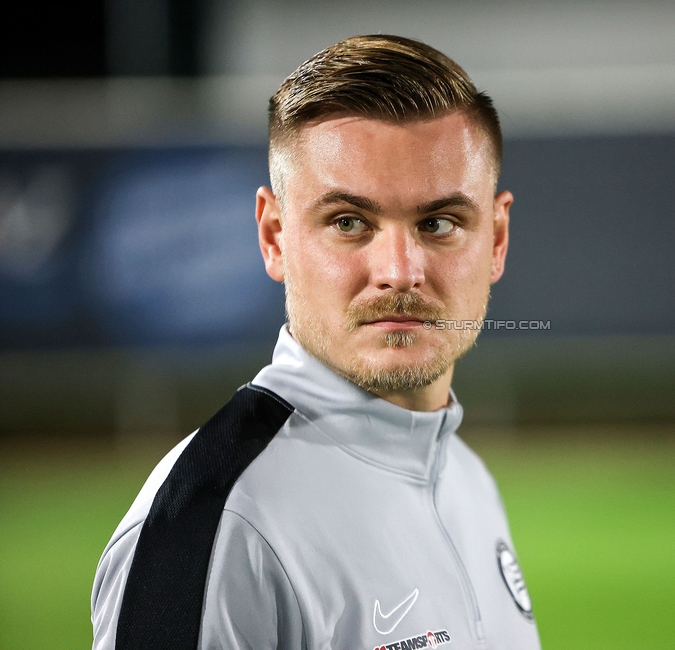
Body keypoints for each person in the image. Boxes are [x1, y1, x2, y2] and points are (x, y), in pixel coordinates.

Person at [91, 35, 542, 650]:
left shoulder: (466, 479)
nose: (399, 271)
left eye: (438, 223)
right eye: (349, 222)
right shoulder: (219, 526)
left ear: (496, 239)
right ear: (274, 237)